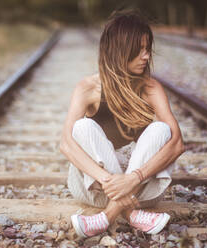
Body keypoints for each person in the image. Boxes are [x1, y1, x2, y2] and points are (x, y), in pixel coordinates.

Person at [59, 9, 185, 238]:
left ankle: (106, 217)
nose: (146, 57)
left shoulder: (151, 88)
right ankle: (131, 214)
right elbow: (66, 144)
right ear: (119, 50)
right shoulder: (88, 88)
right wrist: (111, 182)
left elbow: (177, 144)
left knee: (161, 129)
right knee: (81, 128)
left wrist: (132, 179)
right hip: (95, 189)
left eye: (148, 49)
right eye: (139, 50)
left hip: (141, 189)